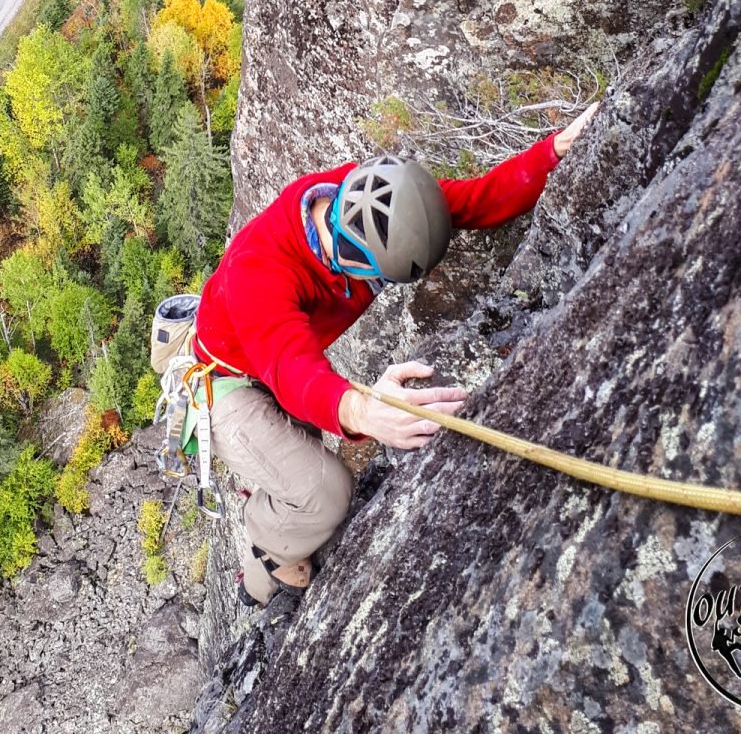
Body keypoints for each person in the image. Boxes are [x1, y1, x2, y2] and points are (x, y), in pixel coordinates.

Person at [189, 104, 600, 605]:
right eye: (380, 278)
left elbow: (472, 199)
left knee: (308, 470)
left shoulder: (381, 196)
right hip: (224, 381)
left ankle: (280, 507)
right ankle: (263, 562)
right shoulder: (261, 273)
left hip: (266, 359)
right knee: (326, 492)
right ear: (351, 257)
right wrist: (364, 412)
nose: (381, 288)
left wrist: (555, 151)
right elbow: (289, 369)